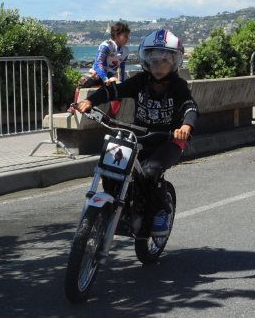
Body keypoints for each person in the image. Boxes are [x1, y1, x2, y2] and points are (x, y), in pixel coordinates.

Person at [76, 29, 199, 236]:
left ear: (174, 62)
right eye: (154, 61)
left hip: (168, 141)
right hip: (140, 137)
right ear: (146, 61)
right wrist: (90, 101)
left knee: (151, 172)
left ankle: (161, 212)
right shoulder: (140, 81)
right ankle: (120, 210)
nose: (158, 67)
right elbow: (114, 91)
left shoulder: (179, 86)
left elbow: (190, 107)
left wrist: (186, 126)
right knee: (112, 166)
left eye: (164, 62)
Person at [68, 22, 131, 115]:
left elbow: (121, 68)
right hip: (98, 74)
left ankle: (111, 116)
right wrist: (104, 78)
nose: (127, 39)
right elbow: (99, 63)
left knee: (119, 91)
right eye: (125, 36)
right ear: (117, 35)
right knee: (82, 82)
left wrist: (121, 81)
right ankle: (74, 106)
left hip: (111, 76)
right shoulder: (106, 45)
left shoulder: (125, 51)